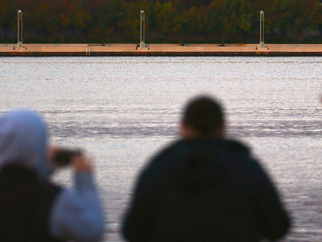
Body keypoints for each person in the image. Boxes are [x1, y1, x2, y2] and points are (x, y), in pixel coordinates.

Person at [121, 95, 290, 242]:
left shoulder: (157, 170)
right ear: (223, 126)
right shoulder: (247, 168)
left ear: (183, 126)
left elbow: (132, 232)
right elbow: (278, 228)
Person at [0, 109, 104, 242]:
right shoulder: (55, 198)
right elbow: (92, 232)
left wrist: (46, 168)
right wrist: (84, 181)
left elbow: (20, 189)